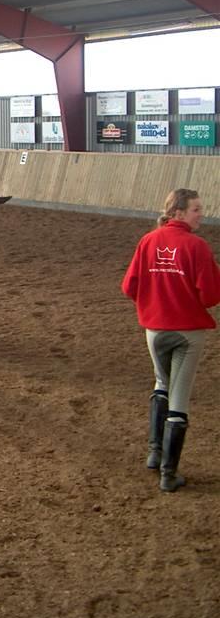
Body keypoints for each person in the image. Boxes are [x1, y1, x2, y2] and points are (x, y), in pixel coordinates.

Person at [121, 188, 220, 493]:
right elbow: (211, 296)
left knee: (160, 384)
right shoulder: (197, 246)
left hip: (155, 330)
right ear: (178, 212)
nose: (201, 214)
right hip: (187, 332)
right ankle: (169, 472)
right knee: (179, 398)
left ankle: (154, 452)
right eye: (196, 209)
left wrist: (154, 304)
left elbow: (129, 286)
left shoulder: (148, 240)